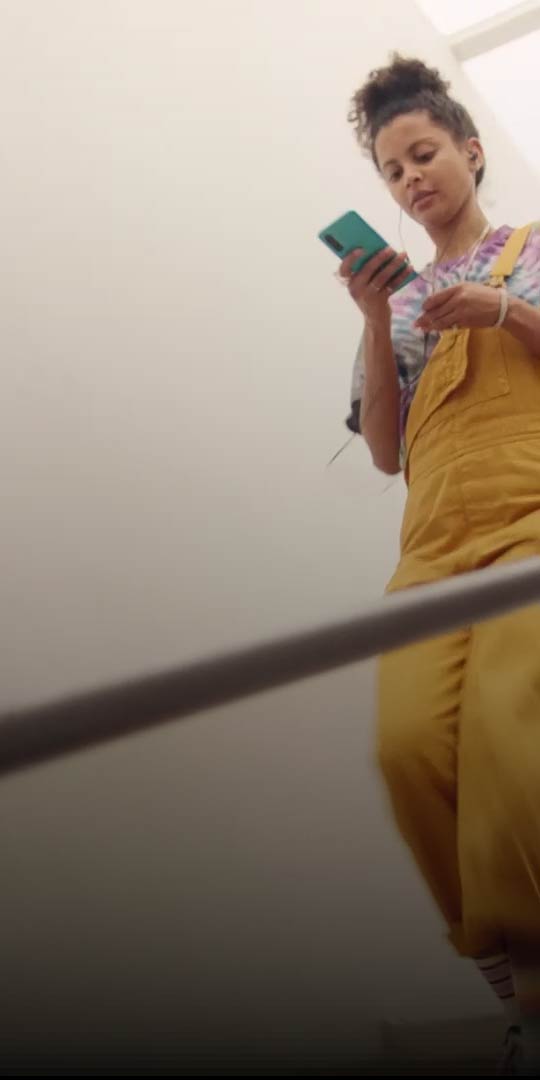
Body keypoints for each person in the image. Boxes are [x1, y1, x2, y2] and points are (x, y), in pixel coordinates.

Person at [338, 54, 540, 1076]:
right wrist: (378, 320)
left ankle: (539, 995)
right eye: (392, 170)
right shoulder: (403, 302)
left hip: (532, 522)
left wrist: (504, 312)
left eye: (423, 154)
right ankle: (514, 996)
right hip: (430, 552)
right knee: (408, 752)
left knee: (513, 741)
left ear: (469, 149)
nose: (411, 178)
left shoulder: (534, 250)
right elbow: (385, 451)